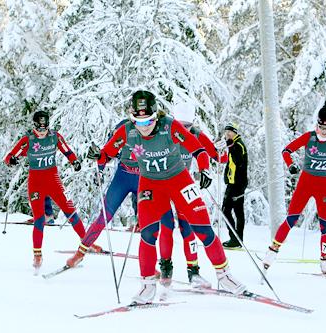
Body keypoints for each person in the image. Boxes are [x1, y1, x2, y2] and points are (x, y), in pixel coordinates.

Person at [83, 90, 246, 304]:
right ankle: (147, 286)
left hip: (179, 180)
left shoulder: (169, 125)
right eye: (138, 122)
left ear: (156, 115)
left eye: (148, 121)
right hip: (150, 184)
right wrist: (98, 155)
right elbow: (107, 153)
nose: (144, 126)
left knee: (203, 229)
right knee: (148, 233)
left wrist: (204, 169)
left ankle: (224, 276)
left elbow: (197, 149)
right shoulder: (127, 131)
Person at [261, 106, 326, 275]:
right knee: (291, 219)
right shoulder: (309, 137)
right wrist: (291, 165)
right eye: (321, 128)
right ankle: (271, 254)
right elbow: (286, 151)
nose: (324, 132)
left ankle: (325, 261)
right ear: (317, 124)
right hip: (306, 183)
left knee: (325, 224)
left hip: (323, 185)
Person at [4, 110, 98, 269]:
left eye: (45, 128)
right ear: (34, 126)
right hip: (36, 182)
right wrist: (11, 160)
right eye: (39, 129)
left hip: (53, 179)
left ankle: (87, 242)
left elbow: (67, 150)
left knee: (70, 211)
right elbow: (9, 156)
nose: (42, 132)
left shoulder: (54, 136)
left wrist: (74, 162)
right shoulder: (28, 140)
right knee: (39, 219)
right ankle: (37, 255)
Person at [157, 102, 227, 288]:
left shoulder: (196, 135)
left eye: (187, 125)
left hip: (184, 186)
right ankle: (165, 268)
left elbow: (217, 157)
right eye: (181, 124)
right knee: (166, 226)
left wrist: (222, 149)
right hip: (162, 184)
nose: (184, 129)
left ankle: (193, 272)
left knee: (188, 228)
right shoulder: (165, 131)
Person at [65, 118, 141, 267]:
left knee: (149, 222)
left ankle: (153, 265)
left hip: (144, 177)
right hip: (123, 176)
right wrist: (99, 168)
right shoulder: (123, 127)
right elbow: (106, 153)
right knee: (104, 216)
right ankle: (79, 254)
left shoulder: (155, 129)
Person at [221, 122, 248, 249]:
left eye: (229, 132)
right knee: (236, 211)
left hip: (237, 184)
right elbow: (230, 163)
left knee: (227, 210)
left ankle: (235, 238)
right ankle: (237, 239)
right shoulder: (234, 144)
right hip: (234, 183)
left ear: (235, 132)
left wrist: (230, 146)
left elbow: (238, 161)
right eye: (226, 132)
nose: (227, 135)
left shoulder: (238, 144)